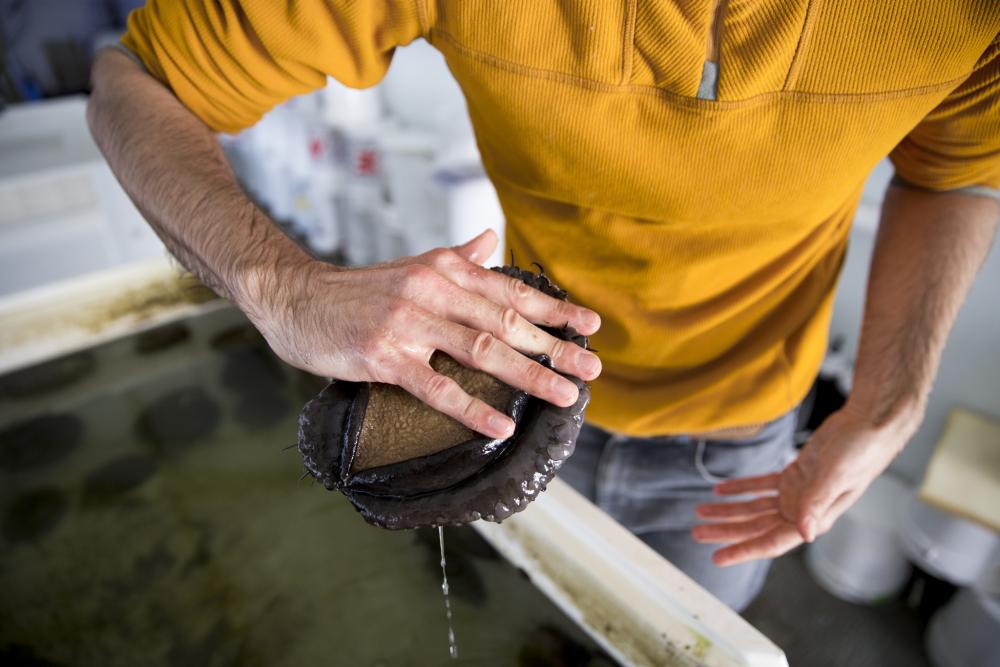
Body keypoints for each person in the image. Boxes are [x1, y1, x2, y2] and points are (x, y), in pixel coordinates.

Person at [87, 1, 999, 612]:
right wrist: (280, 285)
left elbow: (959, 172)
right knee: (530, 618)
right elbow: (134, 84)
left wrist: (891, 398)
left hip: (738, 446)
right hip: (507, 395)